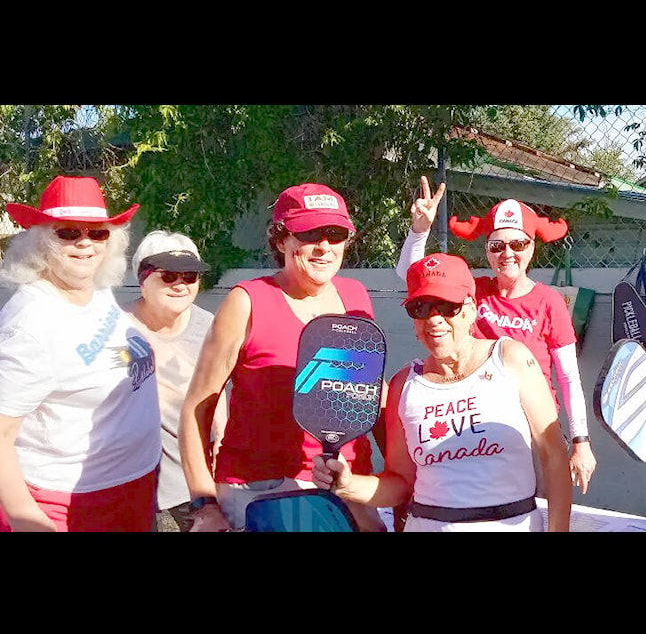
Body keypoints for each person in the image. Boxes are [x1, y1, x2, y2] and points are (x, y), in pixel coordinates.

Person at [179, 182, 386, 532]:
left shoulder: (357, 299)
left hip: (348, 483)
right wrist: (204, 504)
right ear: (281, 240)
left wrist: (400, 479)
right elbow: (196, 408)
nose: (323, 247)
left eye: (335, 234)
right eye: (308, 234)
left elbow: (368, 396)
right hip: (263, 490)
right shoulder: (247, 302)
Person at [313, 252, 572, 532]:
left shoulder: (511, 359)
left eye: (447, 306)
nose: (434, 319)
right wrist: (349, 485)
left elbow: (554, 455)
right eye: (421, 308)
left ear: (471, 308)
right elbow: (399, 483)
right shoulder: (404, 385)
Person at [395, 176, 597, 495]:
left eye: (518, 244)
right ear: (487, 249)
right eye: (497, 245)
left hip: (535, 430)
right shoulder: (475, 291)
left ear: (532, 246)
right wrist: (419, 230)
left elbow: (569, 377)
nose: (508, 254)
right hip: (477, 427)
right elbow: (414, 278)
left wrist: (580, 441)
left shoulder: (550, 302)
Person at [0, 175, 161, 532]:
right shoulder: (31, 322)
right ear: (40, 240)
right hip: (68, 501)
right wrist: (25, 516)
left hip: (134, 484)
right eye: (69, 233)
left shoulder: (96, 290)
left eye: (98, 233)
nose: (86, 244)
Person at [124, 230, 228, 532]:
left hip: (193, 485)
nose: (181, 285)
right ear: (142, 278)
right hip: (132, 480)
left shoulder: (212, 327)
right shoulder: (115, 327)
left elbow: (218, 393)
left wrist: (222, 441)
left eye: (190, 276)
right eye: (168, 276)